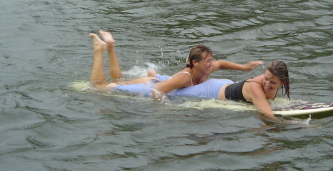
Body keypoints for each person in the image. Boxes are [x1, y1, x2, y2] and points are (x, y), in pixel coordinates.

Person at [88, 31, 289, 120]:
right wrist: (165, 109)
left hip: (172, 82)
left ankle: (111, 47)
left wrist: (245, 67)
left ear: (282, 82)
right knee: (99, 86)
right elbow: (157, 91)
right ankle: (100, 49)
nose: (268, 84)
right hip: (159, 84)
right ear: (195, 63)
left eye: (272, 82)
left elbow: (222, 63)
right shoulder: (185, 76)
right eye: (266, 79)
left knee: (120, 80)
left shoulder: (207, 68)